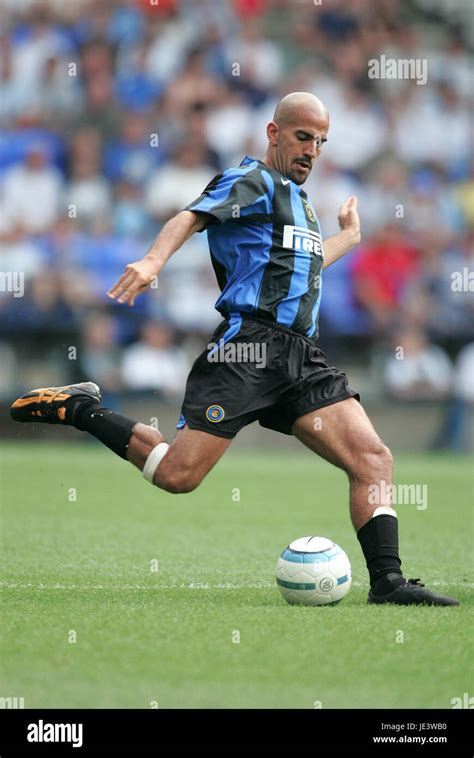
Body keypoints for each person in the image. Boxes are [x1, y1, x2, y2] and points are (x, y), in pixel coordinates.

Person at [10, 92, 458, 606]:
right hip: (247, 349)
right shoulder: (254, 181)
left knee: (374, 458)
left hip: (300, 357)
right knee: (178, 477)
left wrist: (349, 239)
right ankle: (79, 409)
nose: (313, 149)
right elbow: (190, 217)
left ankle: (389, 583)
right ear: (273, 133)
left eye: (321, 141)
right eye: (302, 136)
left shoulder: (301, 202)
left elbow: (304, 267)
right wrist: (154, 261)